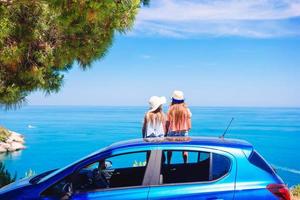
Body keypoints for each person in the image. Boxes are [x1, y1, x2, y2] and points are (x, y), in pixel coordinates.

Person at [166, 90, 192, 164]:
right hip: (183, 133)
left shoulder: (170, 110)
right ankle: (185, 164)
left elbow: (167, 124)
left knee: (169, 150)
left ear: (173, 100)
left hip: (171, 133)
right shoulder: (186, 110)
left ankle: (168, 163)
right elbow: (189, 126)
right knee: (185, 150)